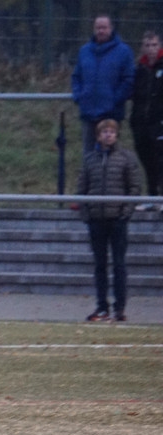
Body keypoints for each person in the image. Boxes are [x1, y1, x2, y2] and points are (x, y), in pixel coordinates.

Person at [76, 119, 140, 323]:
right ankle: (101, 307)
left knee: (119, 264)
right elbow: (82, 189)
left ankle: (119, 308)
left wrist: (125, 213)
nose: (108, 135)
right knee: (100, 265)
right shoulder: (89, 159)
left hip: (117, 219)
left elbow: (134, 188)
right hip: (96, 219)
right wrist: (87, 214)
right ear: (98, 135)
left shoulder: (126, 158)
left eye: (112, 131)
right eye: (105, 132)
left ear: (116, 135)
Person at [71, 14, 135, 157]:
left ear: (111, 28)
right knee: (89, 155)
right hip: (88, 112)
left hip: (111, 114)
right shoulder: (84, 51)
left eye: (104, 28)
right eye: (98, 28)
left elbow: (128, 80)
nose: (101, 31)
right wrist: (79, 96)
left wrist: (114, 100)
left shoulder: (124, 52)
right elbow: (76, 76)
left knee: (112, 157)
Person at [129, 30, 163, 208]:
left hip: (159, 123)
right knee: (147, 160)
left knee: (160, 160)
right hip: (141, 123)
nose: (151, 49)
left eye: (154, 45)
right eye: (147, 45)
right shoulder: (139, 69)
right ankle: (152, 196)